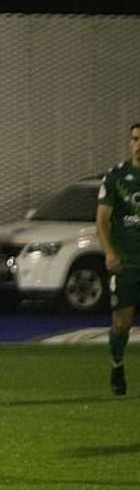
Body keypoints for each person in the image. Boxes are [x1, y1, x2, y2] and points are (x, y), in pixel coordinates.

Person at [95, 122, 140, 396]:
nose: (138, 144)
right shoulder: (116, 176)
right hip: (127, 263)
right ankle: (117, 364)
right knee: (121, 324)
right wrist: (110, 251)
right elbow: (102, 220)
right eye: (135, 139)